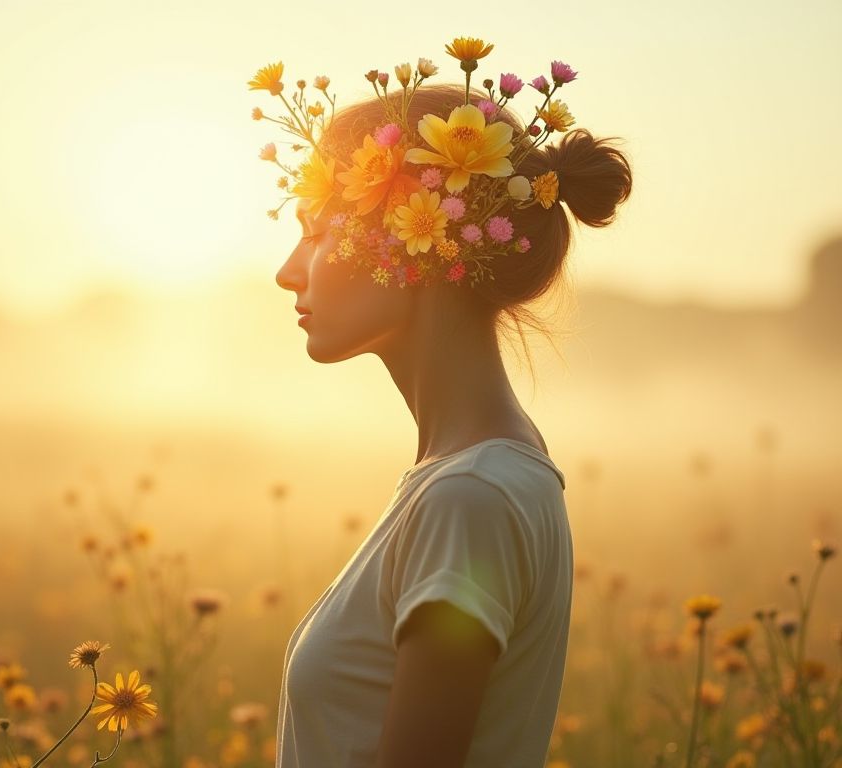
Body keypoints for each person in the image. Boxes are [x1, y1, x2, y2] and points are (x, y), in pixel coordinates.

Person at [252, 44, 632, 767]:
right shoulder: (468, 480)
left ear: (407, 239)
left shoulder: (471, 496)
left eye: (315, 231)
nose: (286, 271)